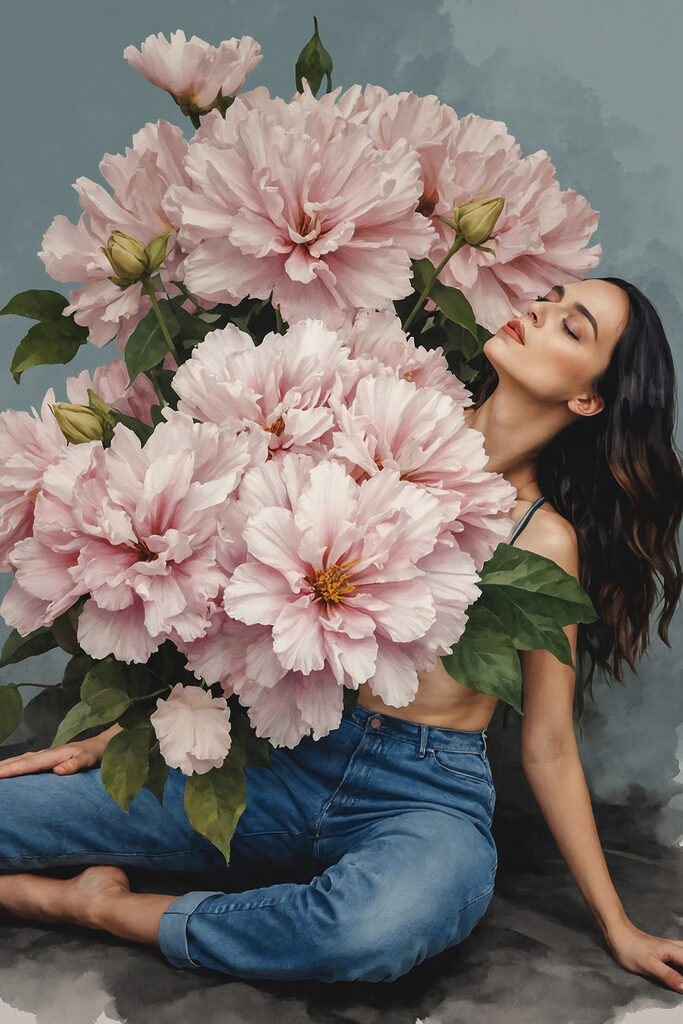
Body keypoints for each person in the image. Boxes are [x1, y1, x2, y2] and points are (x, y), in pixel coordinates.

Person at [0, 277, 682, 989]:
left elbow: (546, 744)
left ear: (588, 399)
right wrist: (125, 734)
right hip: (276, 757)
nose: (537, 311)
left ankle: (97, 908)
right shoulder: (369, 421)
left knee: (372, 929)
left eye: (572, 328)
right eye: (547, 298)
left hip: (422, 797)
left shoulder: (544, 542)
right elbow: (243, 609)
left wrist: (620, 928)